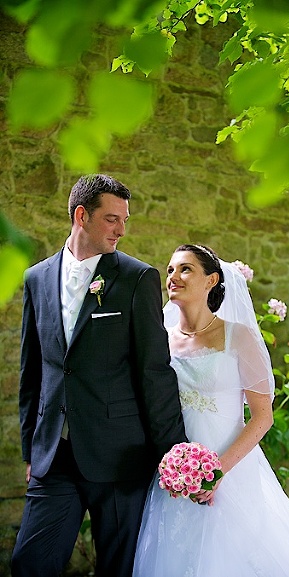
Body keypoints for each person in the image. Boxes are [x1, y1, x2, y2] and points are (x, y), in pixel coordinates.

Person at [133, 244, 289, 576]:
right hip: (175, 472)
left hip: (230, 470)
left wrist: (217, 472)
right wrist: (174, 465)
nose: (174, 276)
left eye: (186, 269)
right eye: (171, 269)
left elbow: (263, 415)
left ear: (211, 280)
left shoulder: (238, 336)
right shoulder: (163, 340)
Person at [12, 175, 188, 577]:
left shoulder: (137, 278)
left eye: (124, 220)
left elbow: (154, 372)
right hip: (54, 456)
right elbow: (32, 369)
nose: (121, 230)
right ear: (81, 215)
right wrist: (30, 449)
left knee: (119, 568)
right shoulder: (37, 278)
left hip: (119, 459)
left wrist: (172, 453)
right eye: (111, 219)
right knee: (30, 563)